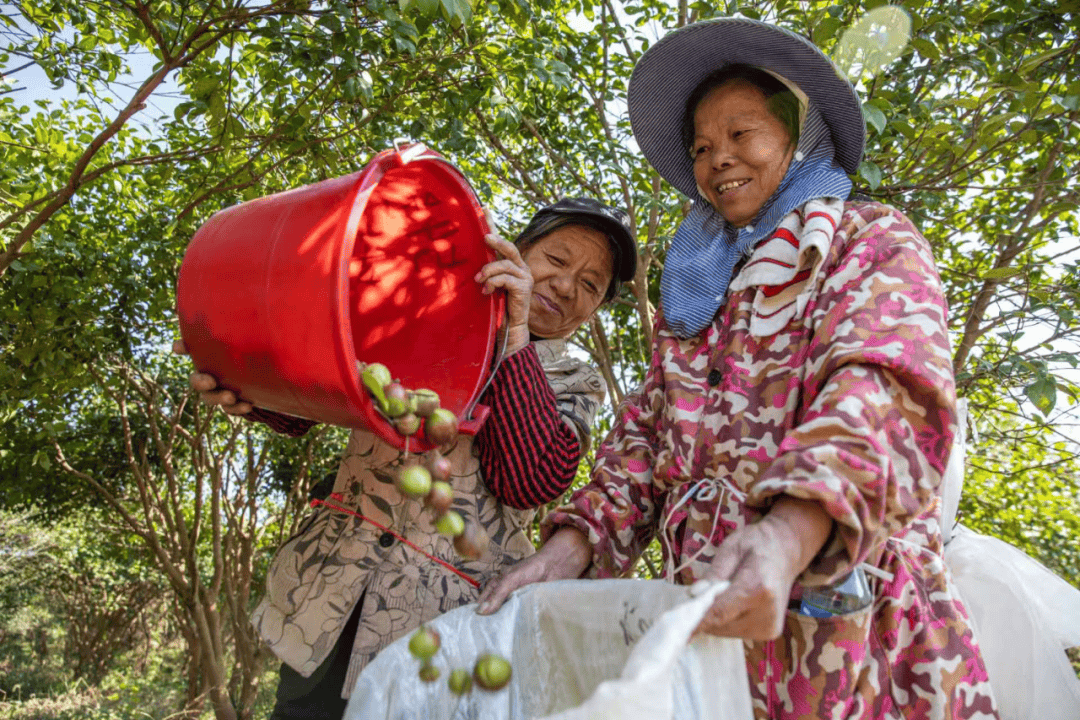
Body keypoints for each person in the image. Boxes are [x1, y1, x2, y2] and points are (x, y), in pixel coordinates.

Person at [477, 18, 1001, 719]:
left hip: (846, 621)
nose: (718, 158)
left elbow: (883, 387)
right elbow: (645, 437)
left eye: (741, 134)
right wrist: (571, 548)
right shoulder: (700, 296)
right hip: (707, 623)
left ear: (798, 137)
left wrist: (787, 534)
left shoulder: (866, 241)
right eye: (701, 146)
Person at [177, 197, 637, 719]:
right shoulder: (424, 312)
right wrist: (254, 395)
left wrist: (514, 336)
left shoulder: (576, 380)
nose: (565, 285)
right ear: (517, 250)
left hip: (445, 630)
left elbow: (528, 481)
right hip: (330, 602)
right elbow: (334, 389)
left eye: (591, 284)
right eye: (556, 260)